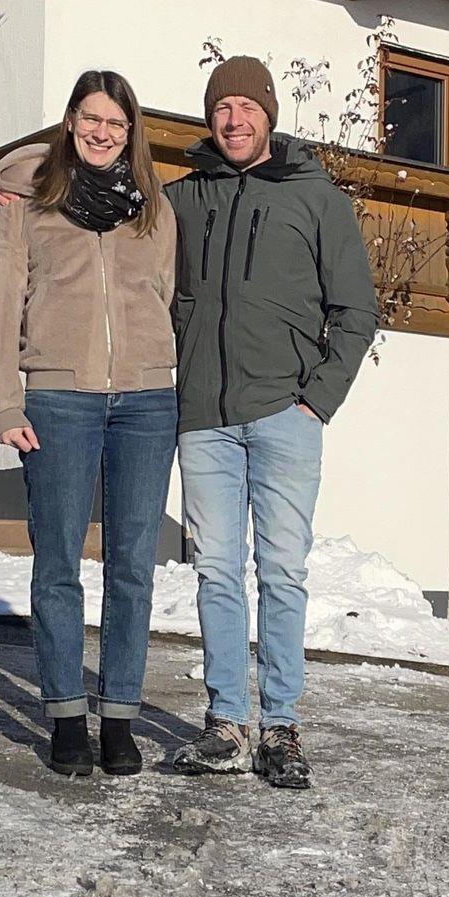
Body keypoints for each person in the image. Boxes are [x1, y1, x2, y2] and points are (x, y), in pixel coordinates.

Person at [164, 57, 379, 790]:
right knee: (216, 571)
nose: (234, 120)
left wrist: (317, 398)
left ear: (269, 115)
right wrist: (18, 195)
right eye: (222, 108)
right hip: (203, 417)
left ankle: (280, 726)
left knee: (282, 573)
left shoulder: (317, 200)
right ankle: (226, 722)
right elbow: (103, 215)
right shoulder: (181, 199)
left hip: (287, 414)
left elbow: (356, 311)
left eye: (246, 108)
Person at [0, 70, 177, 777]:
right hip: (59, 400)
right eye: (91, 118)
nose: (103, 132)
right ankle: (65, 716)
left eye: (116, 123)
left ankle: (118, 717)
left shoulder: (152, 206)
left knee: (133, 568)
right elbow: (0, 301)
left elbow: (164, 294)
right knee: (58, 563)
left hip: (147, 403)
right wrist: (3, 402)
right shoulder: (27, 203)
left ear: (131, 133)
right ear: (69, 121)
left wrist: (158, 367)